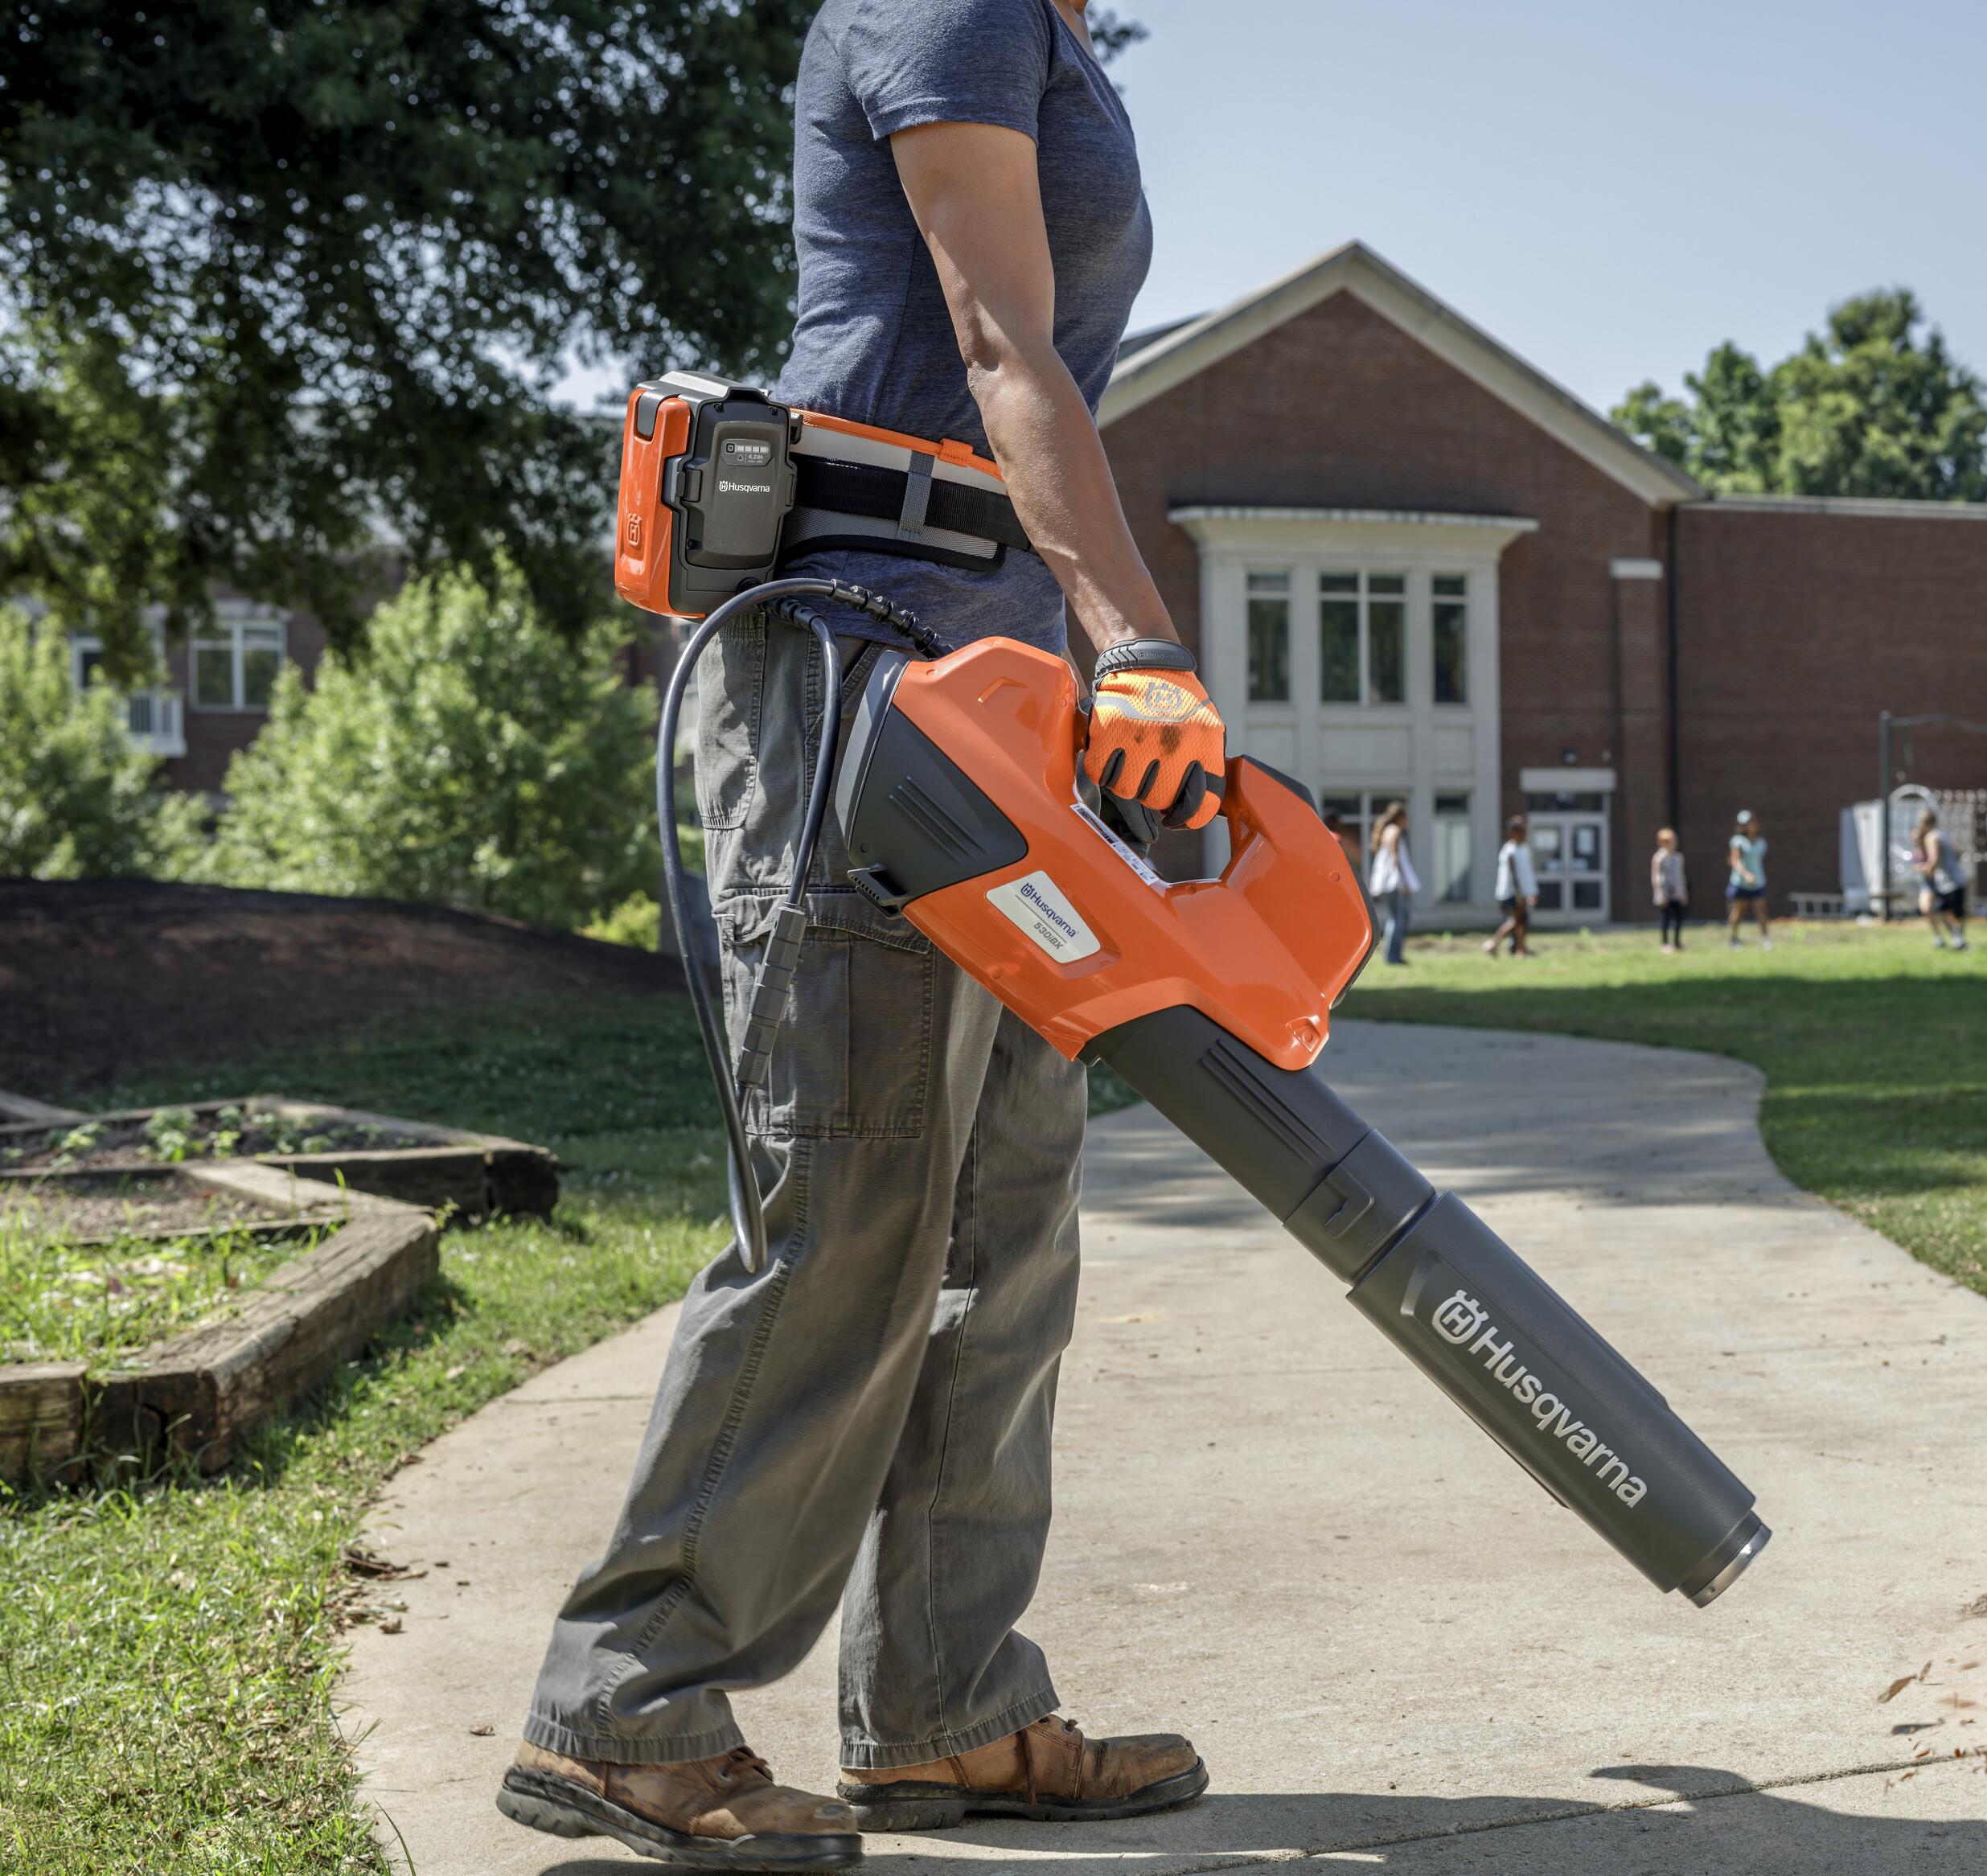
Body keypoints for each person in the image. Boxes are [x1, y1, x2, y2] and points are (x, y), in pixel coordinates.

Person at [502, 2, 1217, 1865]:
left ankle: (945, 1706)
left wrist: (1083, 664)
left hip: (989, 691)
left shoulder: (1048, 34)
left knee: (1006, 1212)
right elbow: (991, 334)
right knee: (860, 1196)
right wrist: (1139, 639)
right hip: (867, 670)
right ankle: (628, 1702)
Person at [1366, 801, 1419, 965]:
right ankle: (1393, 956)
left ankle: (1393, 955)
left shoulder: (1387, 831)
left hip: (1388, 882)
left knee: (1395, 918)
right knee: (1399, 918)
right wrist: (1403, 882)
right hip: (1393, 883)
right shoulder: (1395, 831)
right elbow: (1395, 857)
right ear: (1400, 817)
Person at [1915, 807, 1970, 950]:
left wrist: (1924, 869)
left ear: (1923, 823)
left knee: (1944, 913)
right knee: (1950, 913)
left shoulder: (1931, 837)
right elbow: (1959, 852)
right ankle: (1958, 940)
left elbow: (1934, 860)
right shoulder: (1942, 834)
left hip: (1948, 883)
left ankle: (1959, 940)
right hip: (1957, 879)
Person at [1486, 815, 1535, 957]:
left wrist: (1532, 892)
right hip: (1511, 893)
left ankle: (1514, 947)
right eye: (1521, 831)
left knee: (1520, 921)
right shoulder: (1509, 851)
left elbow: (1527, 874)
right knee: (1517, 921)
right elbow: (1514, 875)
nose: (1524, 834)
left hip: (1523, 892)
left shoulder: (1524, 849)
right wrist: (1519, 894)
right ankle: (1514, 948)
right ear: (1512, 832)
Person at [1726, 811, 1771, 950]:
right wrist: (1746, 875)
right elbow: (1734, 861)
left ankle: (1765, 939)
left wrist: (1754, 876)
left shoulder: (1761, 842)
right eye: (1747, 824)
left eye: (1752, 822)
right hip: (1740, 883)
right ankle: (1734, 938)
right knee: (1738, 912)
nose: (1751, 825)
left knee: (1761, 910)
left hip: (1758, 883)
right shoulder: (1737, 842)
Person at [1651, 827, 1688, 952]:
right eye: (1671, 841)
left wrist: (1683, 893)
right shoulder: (1659, 858)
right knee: (1665, 919)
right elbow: (1656, 876)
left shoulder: (1678, 857)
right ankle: (1665, 943)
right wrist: (1660, 894)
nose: (1673, 843)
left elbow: (1681, 876)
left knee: (1678, 919)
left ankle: (1677, 943)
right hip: (1665, 893)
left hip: (1677, 893)